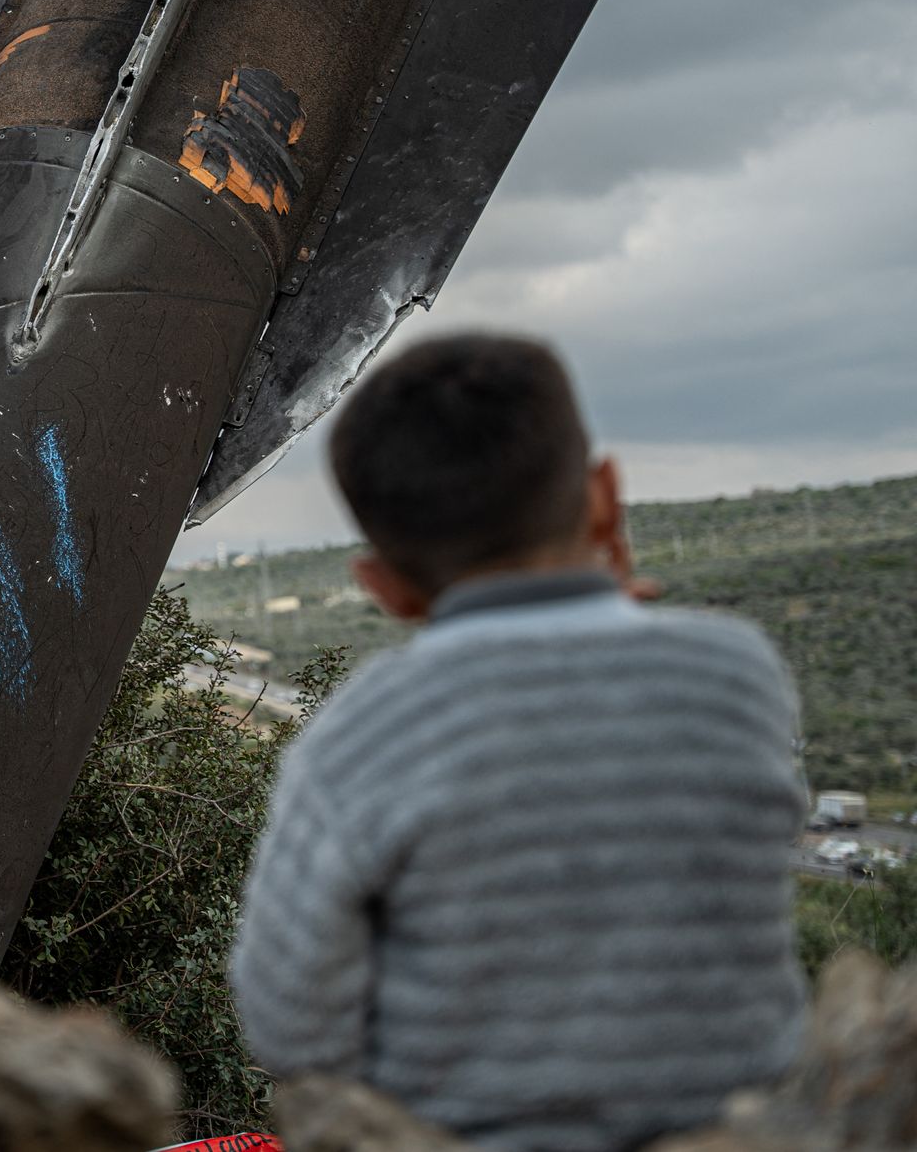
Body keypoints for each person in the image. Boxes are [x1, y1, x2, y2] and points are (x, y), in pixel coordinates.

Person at [231, 334, 806, 1151]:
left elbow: (288, 1025)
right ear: (605, 494)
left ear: (382, 587)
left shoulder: (363, 734)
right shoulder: (738, 675)